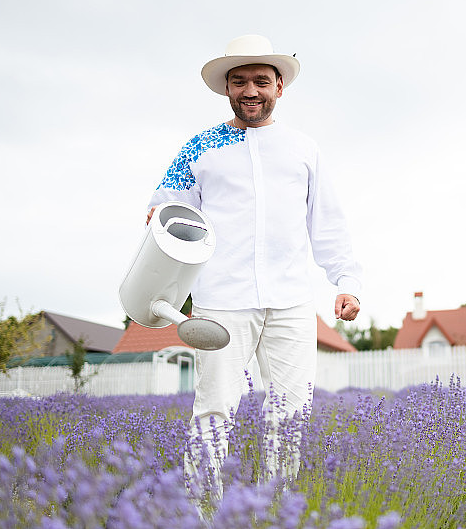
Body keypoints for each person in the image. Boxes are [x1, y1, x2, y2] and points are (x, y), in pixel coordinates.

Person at [145, 34, 362, 494]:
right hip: (221, 300)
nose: (249, 91)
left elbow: (327, 222)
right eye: (238, 81)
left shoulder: (304, 149)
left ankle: (272, 512)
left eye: (260, 81)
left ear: (279, 87)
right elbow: (168, 215)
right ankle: (201, 514)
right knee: (215, 409)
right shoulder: (198, 147)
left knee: (290, 410)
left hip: (291, 302)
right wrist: (158, 226)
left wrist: (346, 281)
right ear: (227, 89)